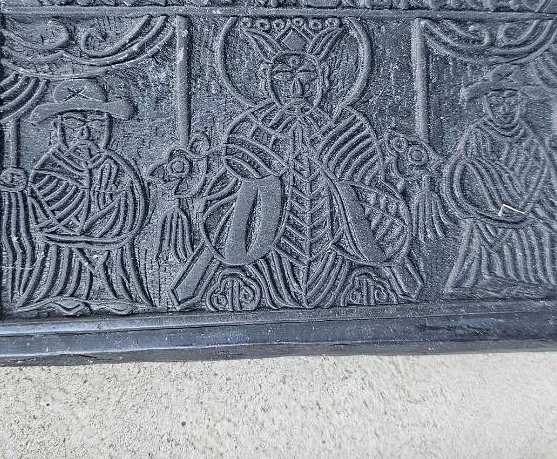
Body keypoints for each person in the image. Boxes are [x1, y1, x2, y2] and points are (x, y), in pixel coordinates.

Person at [172, 21, 422, 310]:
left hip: (336, 258)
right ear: (265, 80)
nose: (296, 88)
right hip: (269, 263)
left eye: (307, 76)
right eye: (283, 77)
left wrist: (342, 173)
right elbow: (229, 212)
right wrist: (261, 171)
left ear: (324, 80)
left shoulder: (348, 126)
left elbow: (374, 196)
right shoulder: (248, 130)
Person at [9, 78, 150, 315]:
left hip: (110, 241)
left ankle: (114, 292)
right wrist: (73, 222)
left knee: (114, 260)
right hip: (62, 245)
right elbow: (40, 206)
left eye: (95, 124)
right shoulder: (49, 167)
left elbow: (132, 200)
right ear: (58, 128)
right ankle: (58, 293)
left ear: (108, 128)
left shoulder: (114, 165)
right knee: (62, 261)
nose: (85, 133)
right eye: (74, 124)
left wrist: (111, 212)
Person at [444, 65, 557, 298]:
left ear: (521, 104)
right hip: (492, 210)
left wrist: (534, 199)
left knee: (538, 228)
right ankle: (487, 279)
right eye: (496, 103)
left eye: (511, 101)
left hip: (527, 205)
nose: (504, 109)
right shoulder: (479, 133)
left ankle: (530, 280)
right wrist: (492, 203)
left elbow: (543, 170)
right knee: (491, 234)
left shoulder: (528, 134)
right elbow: (467, 173)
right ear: (486, 105)